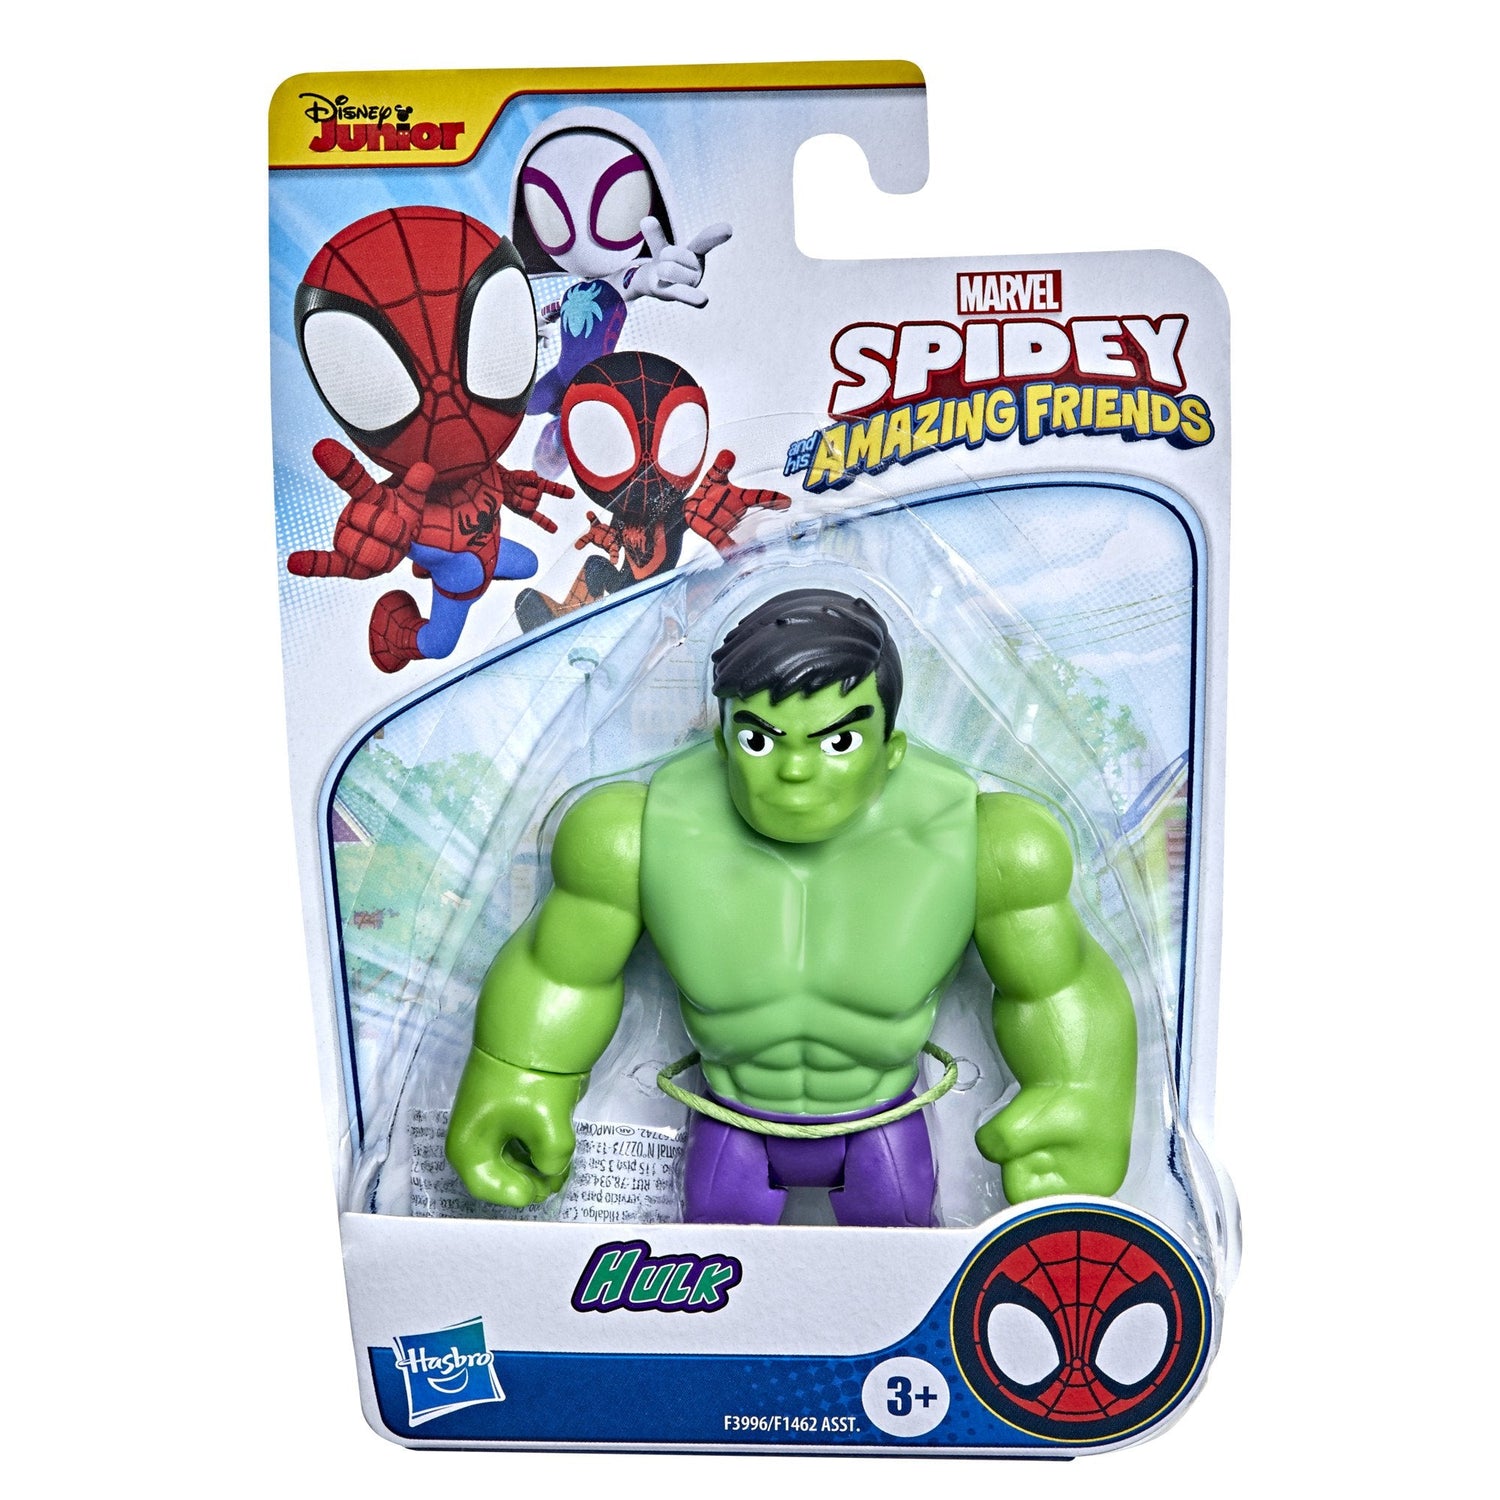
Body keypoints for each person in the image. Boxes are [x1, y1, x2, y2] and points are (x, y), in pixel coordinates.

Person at [446, 589, 1136, 1225]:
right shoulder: (634, 833)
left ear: (892, 748)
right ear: (722, 739)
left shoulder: (984, 840)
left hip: (883, 1122)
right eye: (759, 738)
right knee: (713, 1281)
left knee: (902, 1274)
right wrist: (519, 1078)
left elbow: (1056, 984)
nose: (796, 770)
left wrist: (1082, 1092)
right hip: (732, 1122)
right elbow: (562, 973)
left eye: (838, 741)